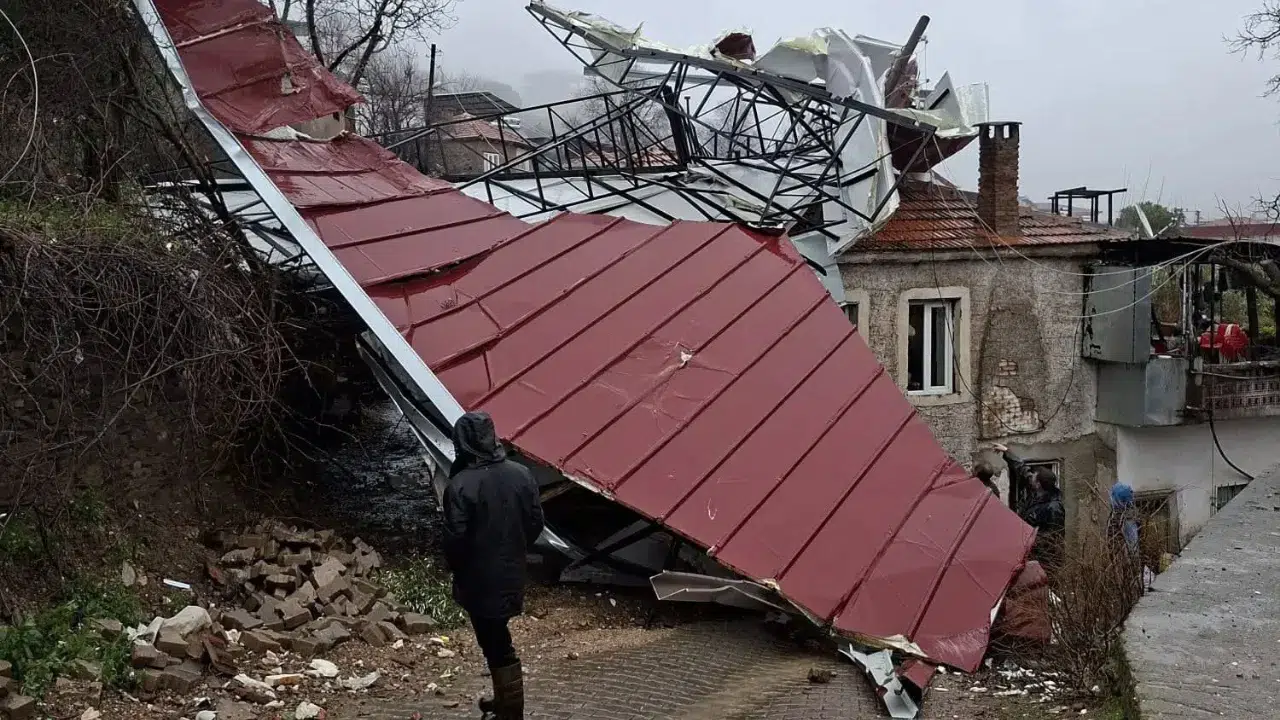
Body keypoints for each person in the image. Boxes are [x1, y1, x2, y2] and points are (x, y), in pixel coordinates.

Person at [442, 412, 544, 720]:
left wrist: (460, 568)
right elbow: (535, 523)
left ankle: (510, 710)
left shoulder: (460, 485)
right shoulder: (521, 474)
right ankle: (504, 701)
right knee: (497, 638)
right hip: (512, 571)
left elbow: (455, 540)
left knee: (495, 643)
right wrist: (514, 548)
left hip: (479, 579)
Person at [993, 443, 1065, 566]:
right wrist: (1007, 452)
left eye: (1034, 478)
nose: (1031, 478)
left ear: (1039, 484)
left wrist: (1026, 539)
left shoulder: (1054, 508)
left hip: (1043, 560)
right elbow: (1023, 469)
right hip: (1028, 551)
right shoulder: (1037, 492)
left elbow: (1053, 538)